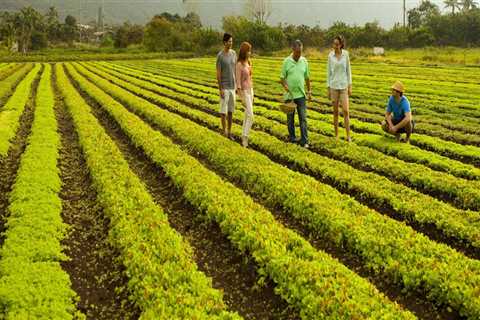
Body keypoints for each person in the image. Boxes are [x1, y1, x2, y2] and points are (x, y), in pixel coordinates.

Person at [280, 40, 312, 148]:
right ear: (293, 50)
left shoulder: (304, 61)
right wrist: (285, 86)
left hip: (301, 95)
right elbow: (282, 78)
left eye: (301, 52)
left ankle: (305, 140)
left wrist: (309, 91)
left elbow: (307, 78)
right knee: (290, 119)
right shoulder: (286, 62)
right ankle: (292, 138)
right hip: (290, 97)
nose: (299, 54)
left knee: (303, 118)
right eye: (297, 52)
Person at [327, 35, 352, 142]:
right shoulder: (330, 56)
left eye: (337, 44)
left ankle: (348, 136)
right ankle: (336, 135)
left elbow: (348, 71)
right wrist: (328, 88)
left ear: (341, 45)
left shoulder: (345, 54)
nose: (335, 46)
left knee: (346, 111)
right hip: (334, 86)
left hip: (343, 86)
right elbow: (328, 72)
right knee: (335, 111)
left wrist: (350, 85)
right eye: (334, 44)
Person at [216, 33, 237, 139]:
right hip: (224, 86)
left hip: (233, 86)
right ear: (224, 42)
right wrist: (220, 89)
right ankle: (224, 131)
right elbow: (218, 73)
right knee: (223, 111)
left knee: (230, 111)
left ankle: (229, 132)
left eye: (232, 41)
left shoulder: (234, 54)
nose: (231, 43)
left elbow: (236, 69)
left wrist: (237, 86)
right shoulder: (220, 56)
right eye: (229, 41)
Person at [236, 42, 254, 148]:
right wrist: (241, 97)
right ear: (244, 52)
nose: (250, 53)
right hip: (244, 92)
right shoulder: (239, 65)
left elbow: (250, 78)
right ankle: (245, 137)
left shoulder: (248, 62)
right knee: (251, 116)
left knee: (247, 115)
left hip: (250, 91)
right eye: (248, 51)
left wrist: (253, 93)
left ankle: (243, 136)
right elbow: (238, 83)